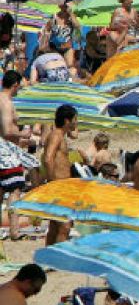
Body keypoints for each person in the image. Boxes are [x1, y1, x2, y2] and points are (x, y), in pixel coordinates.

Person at [41, 105, 76, 245]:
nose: (76, 122)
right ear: (67, 121)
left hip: (62, 186)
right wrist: (52, 183)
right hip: (58, 186)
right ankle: (57, 259)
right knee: (65, 226)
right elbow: (48, 158)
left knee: (55, 226)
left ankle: (47, 259)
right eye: (75, 119)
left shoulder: (60, 135)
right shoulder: (56, 135)